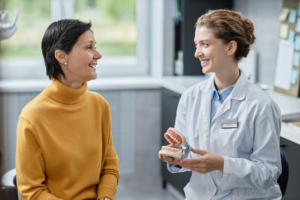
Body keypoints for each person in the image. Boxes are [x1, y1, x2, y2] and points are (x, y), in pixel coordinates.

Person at [159, 9, 282, 200]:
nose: (197, 53)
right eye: (196, 45)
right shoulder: (191, 97)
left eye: (205, 44)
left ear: (230, 47)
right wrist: (177, 158)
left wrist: (222, 164)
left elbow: (269, 173)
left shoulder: (261, 105)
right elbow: (186, 149)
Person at [16, 19, 119, 200]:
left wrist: (104, 198)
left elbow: (109, 167)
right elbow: (32, 191)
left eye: (95, 47)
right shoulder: (32, 116)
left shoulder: (99, 105)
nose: (98, 55)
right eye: (89, 47)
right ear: (62, 56)